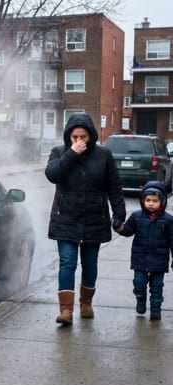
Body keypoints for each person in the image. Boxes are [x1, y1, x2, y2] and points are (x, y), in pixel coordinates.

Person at [45, 113, 126, 325]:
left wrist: (119, 215)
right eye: (74, 137)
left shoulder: (103, 155)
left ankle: (86, 303)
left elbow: (114, 187)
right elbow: (53, 175)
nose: (79, 141)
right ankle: (66, 310)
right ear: (68, 137)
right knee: (68, 262)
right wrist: (71, 154)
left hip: (94, 218)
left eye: (83, 136)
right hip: (66, 218)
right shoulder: (58, 153)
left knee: (90, 263)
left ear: (91, 136)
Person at [114, 181, 172, 321]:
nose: (151, 203)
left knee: (157, 286)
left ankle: (155, 309)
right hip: (140, 258)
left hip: (159, 259)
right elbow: (128, 230)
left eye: (155, 201)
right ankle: (141, 299)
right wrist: (119, 227)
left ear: (162, 202)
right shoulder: (136, 216)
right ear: (142, 200)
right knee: (139, 282)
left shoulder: (168, 220)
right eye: (148, 200)